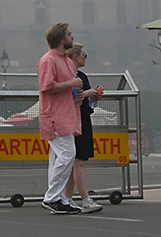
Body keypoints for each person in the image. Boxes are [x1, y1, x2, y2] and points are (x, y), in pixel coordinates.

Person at [37, 23, 83, 215]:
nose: (72, 36)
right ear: (61, 39)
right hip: (54, 116)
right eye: (69, 34)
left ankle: (59, 197)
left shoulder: (66, 60)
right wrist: (70, 84)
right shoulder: (48, 60)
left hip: (66, 114)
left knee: (58, 157)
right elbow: (46, 87)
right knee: (67, 155)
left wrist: (76, 93)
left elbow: (65, 87)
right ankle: (52, 196)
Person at [62, 43, 103, 213]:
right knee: (79, 161)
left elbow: (86, 100)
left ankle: (67, 198)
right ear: (75, 56)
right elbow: (72, 97)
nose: (86, 58)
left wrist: (94, 96)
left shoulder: (82, 76)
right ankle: (85, 198)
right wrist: (87, 93)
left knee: (77, 161)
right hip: (73, 120)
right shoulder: (68, 76)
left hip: (83, 119)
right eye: (84, 55)